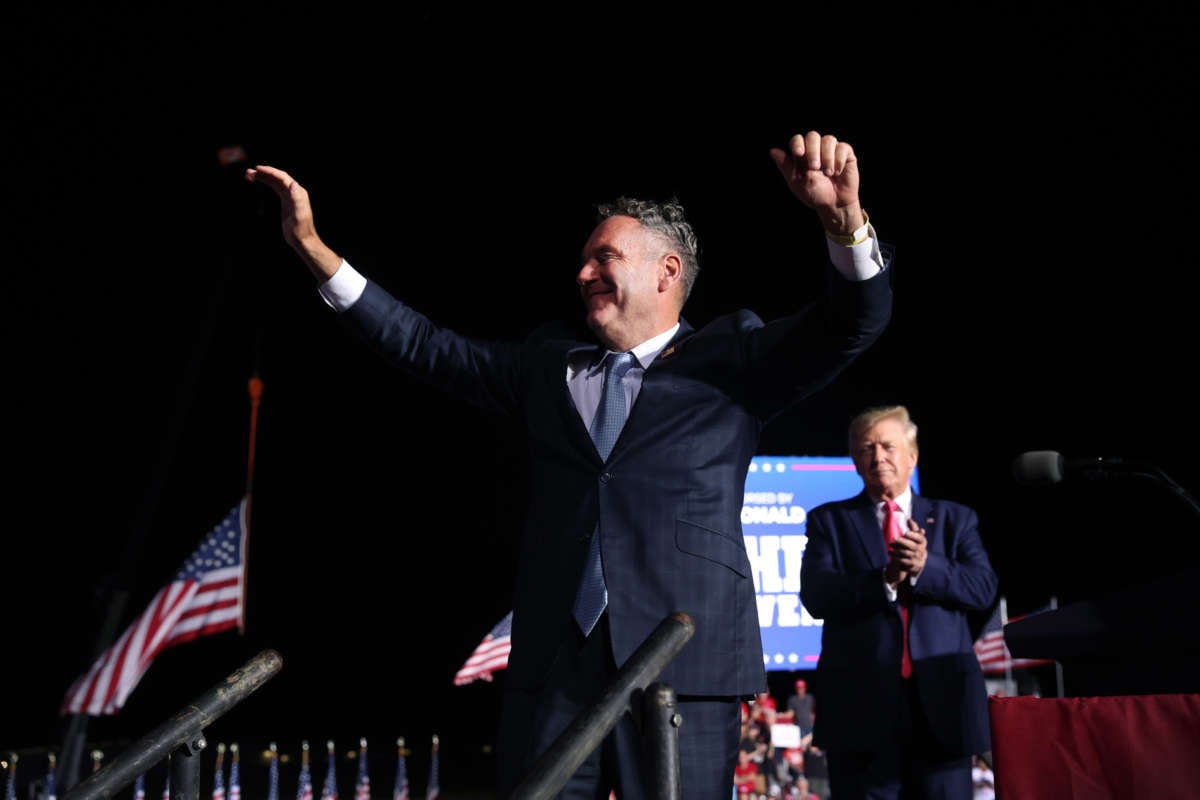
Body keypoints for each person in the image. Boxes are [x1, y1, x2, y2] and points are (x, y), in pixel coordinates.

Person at [246, 129, 893, 799]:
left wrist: (843, 223)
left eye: (603, 257)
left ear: (667, 272)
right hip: (554, 668)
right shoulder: (547, 364)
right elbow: (425, 346)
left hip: (684, 661)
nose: (583, 274)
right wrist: (316, 252)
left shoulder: (734, 359)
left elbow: (850, 324)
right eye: (583, 261)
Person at [799, 405, 999, 799]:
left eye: (888, 446)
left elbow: (983, 589)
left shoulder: (956, 520)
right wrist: (885, 580)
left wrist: (927, 567)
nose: (878, 457)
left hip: (942, 715)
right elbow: (817, 596)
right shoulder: (829, 522)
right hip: (861, 719)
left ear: (912, 456)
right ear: (855, 461)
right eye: (866, 448)